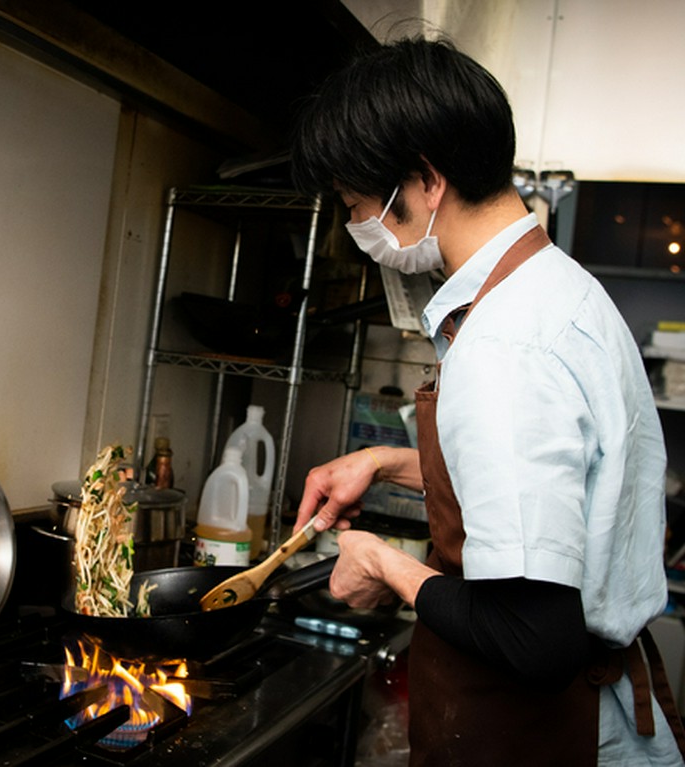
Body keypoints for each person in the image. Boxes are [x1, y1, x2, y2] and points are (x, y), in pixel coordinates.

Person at [291, 36, 685, 766]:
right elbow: (560, 478)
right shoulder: (559, 291)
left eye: (357, 206)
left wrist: (383, 562)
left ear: (424, 181)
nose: (360, 231)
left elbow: (534, 640)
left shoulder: (506, 346)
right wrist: (384, 461)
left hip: (562, 732)